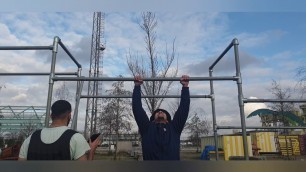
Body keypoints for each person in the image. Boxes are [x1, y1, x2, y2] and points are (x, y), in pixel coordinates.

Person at [18, 100, 101, 160]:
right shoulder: (76, 138)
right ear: (69, 116)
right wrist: (92, 150)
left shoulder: (31, 138)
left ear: (51, 116)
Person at [132, 75, 190, 160]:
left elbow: (183, 108)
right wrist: (137, 87)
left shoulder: (174, 128)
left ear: (167, 118)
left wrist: (185, 87)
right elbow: (137, 109)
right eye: (157, 112)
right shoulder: (146, 128)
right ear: (153, 118)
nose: (160, 112)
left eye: (163, 112)